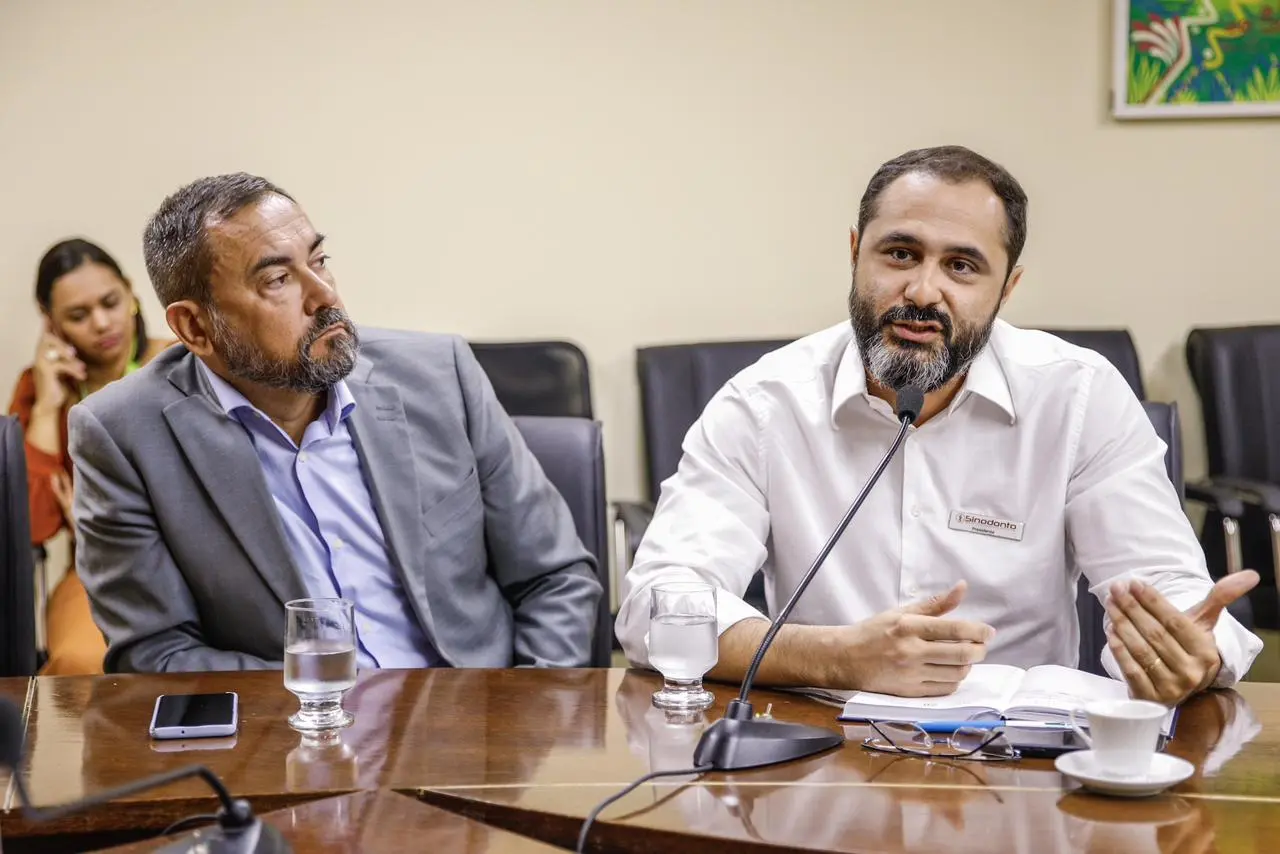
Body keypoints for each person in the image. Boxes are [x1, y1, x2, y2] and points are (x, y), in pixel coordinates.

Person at [616, 145, 1262, 707]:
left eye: (962, 266)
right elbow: (659, 603)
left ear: (1007, 288)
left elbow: (1168, 588)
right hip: (817, 742)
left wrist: (1191, 651)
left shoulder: (1079, 396)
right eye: (900, 254)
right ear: (855, 254)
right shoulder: (764, 404)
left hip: (1020, 757)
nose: (924, 291)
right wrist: (838, 658)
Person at [68, 172, 601, 673]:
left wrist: (524, 716)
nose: (325, 295)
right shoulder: (122, 434)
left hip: (477, 713)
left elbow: (555, 578)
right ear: (195, 327)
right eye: (278, 279)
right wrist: (329, 704)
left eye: (318, 260)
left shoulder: (442, 375)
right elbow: (158, 653)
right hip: (291, 730)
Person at [7, 239, 172, 675]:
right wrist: (47, 407)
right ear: (50, 322)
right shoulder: (40, 389)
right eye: (78, 316)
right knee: (78, 662)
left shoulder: (179, 364)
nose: (101, 323)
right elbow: (32, 527)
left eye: (110, 302)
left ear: (131, 292)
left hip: (188, 561)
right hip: (98, 567)